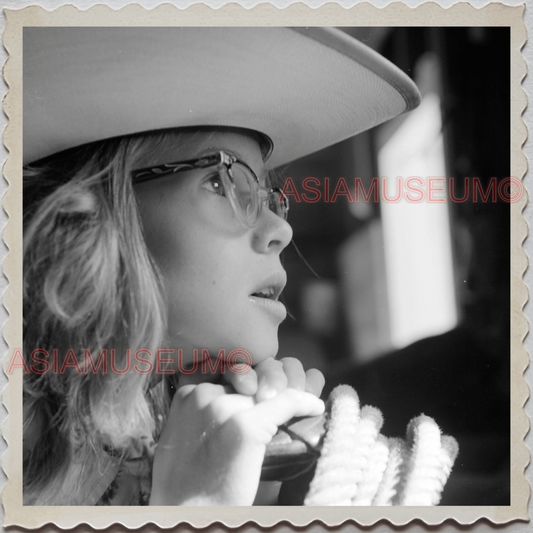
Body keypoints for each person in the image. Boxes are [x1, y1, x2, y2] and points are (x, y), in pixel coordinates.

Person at [21, 27, 420, 506]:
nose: (281, 229)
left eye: (273, 197)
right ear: (98, 213)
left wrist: (255, 493)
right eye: (223, 181)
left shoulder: (147, 446)